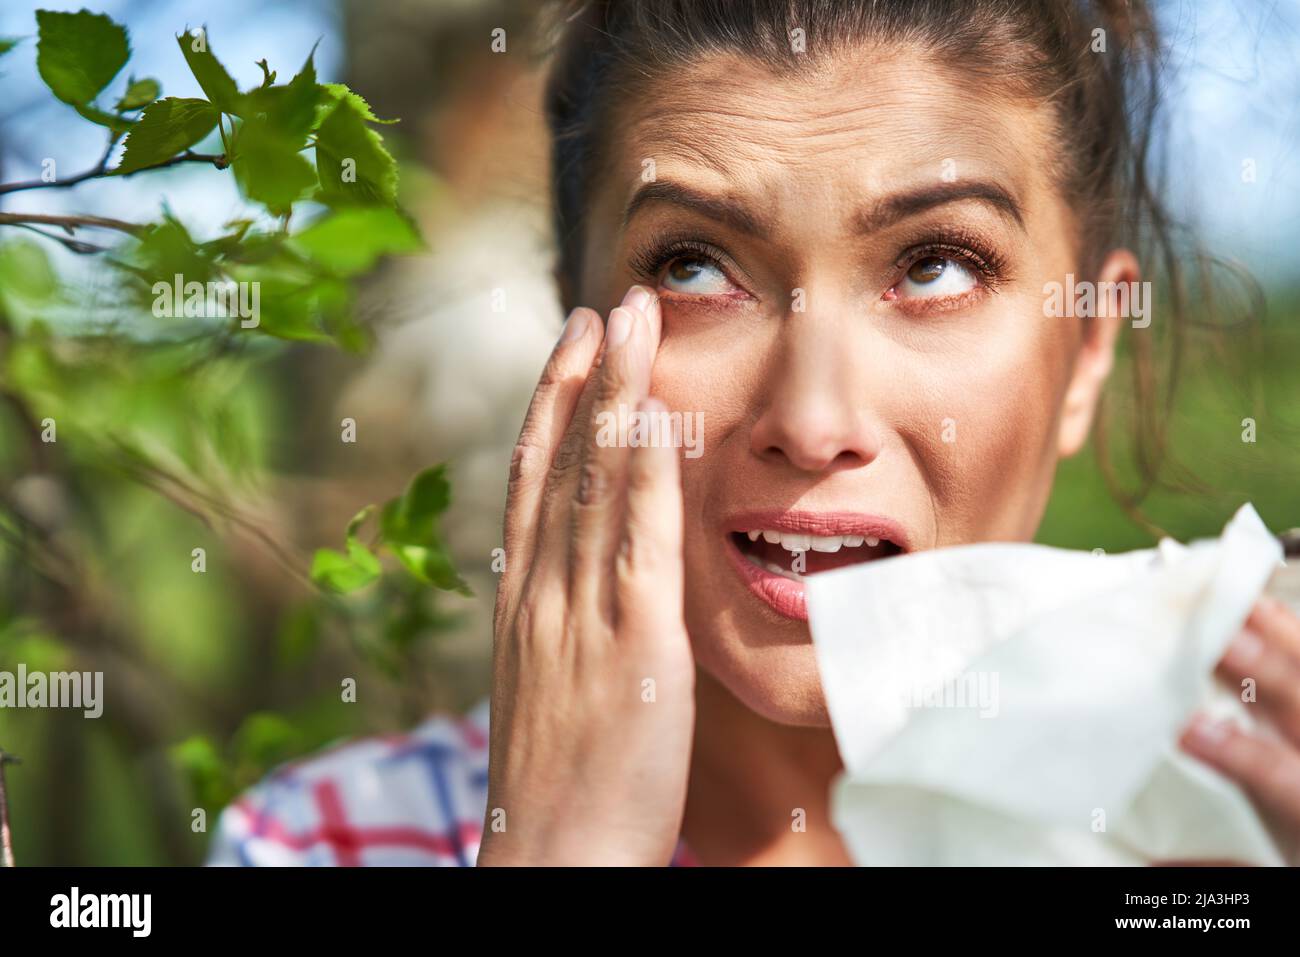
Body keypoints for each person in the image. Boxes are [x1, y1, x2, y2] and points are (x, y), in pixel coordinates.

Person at [211, 0, 1300, 867]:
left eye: (935, 266)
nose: (812, 421)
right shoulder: (324, 845)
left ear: (1086, 355)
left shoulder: (1228, 817)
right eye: (693, 268)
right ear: (571, 328)